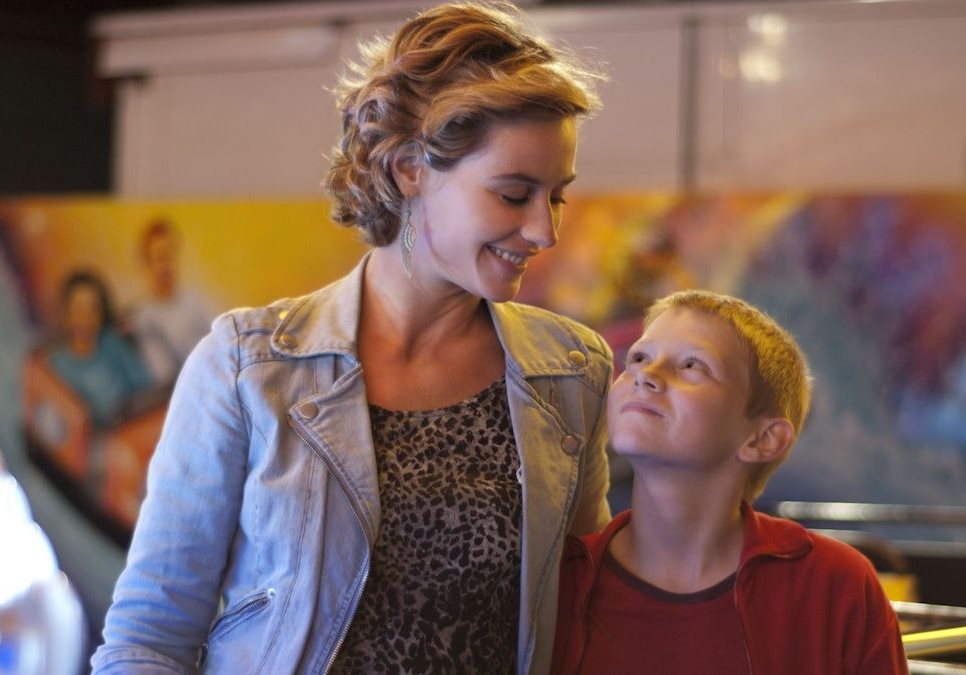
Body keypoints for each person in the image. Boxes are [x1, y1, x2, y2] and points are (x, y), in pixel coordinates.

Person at [91, 3, 612, 673]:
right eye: (514, 195)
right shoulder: (248, 364)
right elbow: (148, 637)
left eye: (556, 196)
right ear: (408, 170)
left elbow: (589, 620)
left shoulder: (571, 372)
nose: (545, 230)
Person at [551, 289, 908, 675]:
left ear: (762, 439)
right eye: (638, 358)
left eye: (692, 365)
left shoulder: (834, 587)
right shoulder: (554, 583)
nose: (645, 376)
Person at [47, 269, 150, 429]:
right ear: (65, 313)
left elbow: (144, 386)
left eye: (93, 309)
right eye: (78, 308)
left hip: (134, 427)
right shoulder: (56, 367)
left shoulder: (112, 343)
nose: (85, 318)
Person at [131, 217, 215, 388]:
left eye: (170, 255)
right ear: (148, 264)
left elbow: (221, 341)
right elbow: (164, 374)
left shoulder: (194, 299)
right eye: (159, 257)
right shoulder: (145, 318)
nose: (166, 265)